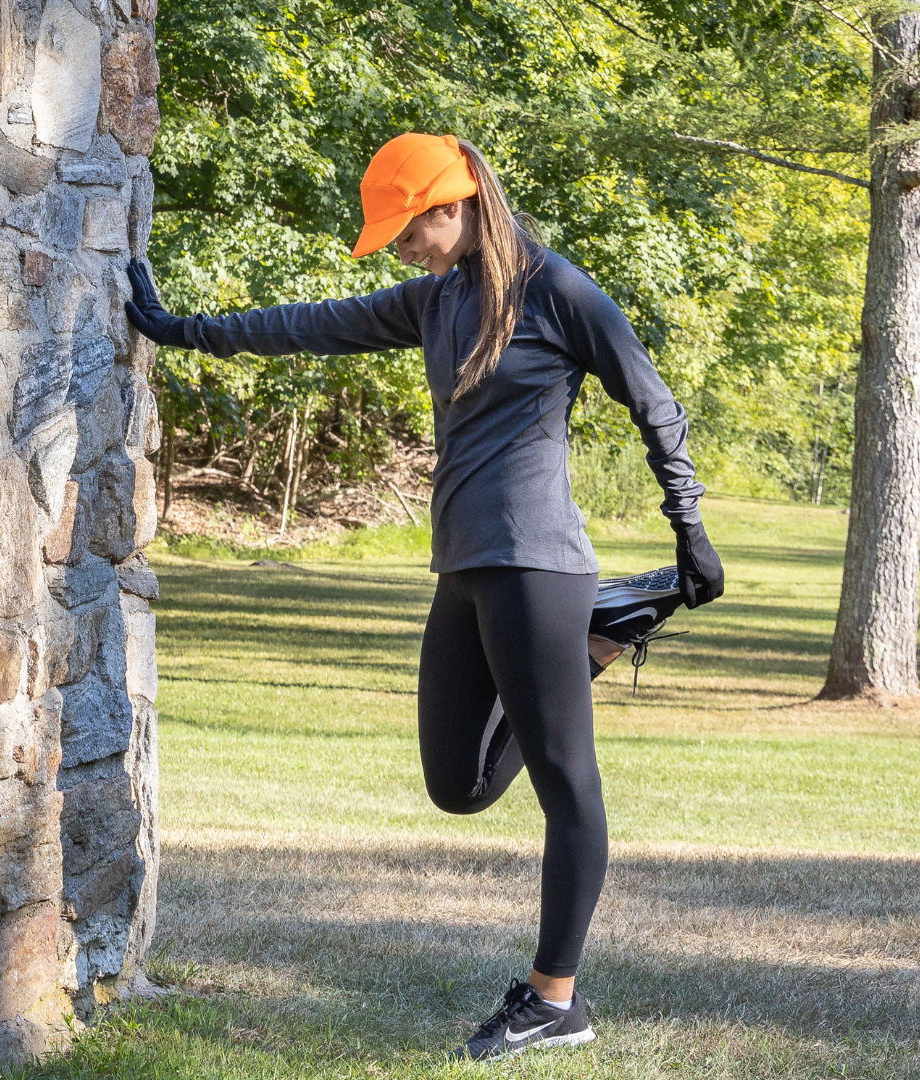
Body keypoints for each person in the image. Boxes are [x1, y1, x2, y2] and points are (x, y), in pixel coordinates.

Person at [125, 132, 724, 1060]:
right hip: (465, 568)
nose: (400, 249)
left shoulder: (557, 291)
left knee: (568, 785)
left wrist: (688, 527)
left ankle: (554, 999)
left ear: (455, 207)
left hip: (538, 564)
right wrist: (181, 330)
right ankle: (603, 635)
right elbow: (305, 324)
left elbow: (654, 401)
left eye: (407, 232)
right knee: (458, 783)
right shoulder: (434, 300)